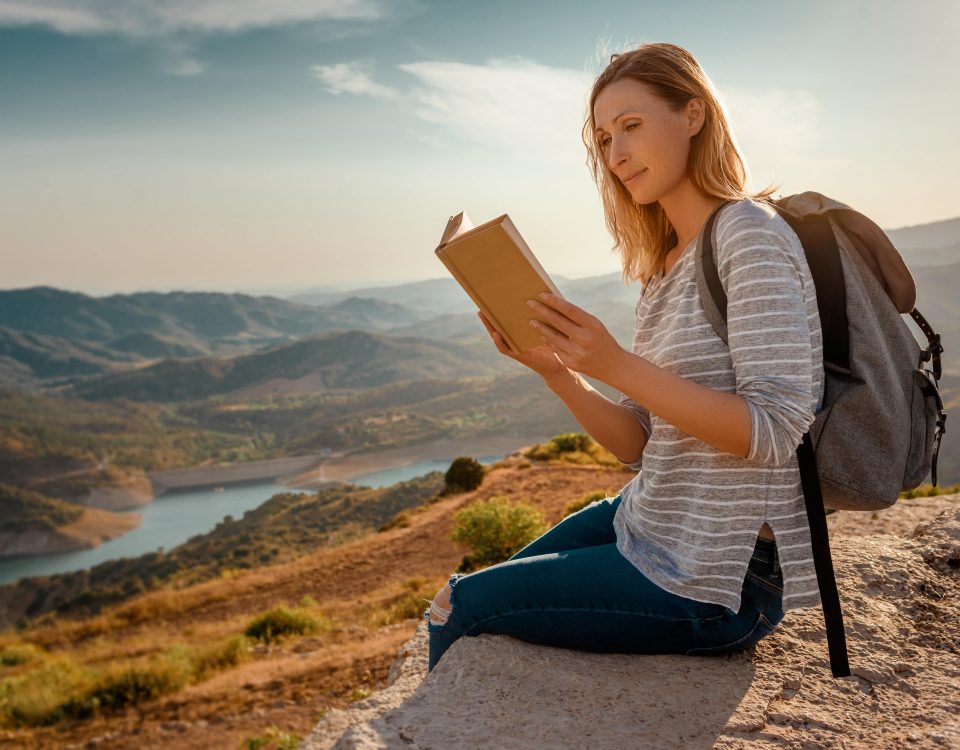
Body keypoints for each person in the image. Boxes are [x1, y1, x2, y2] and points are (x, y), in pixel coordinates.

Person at [424, 42, 824, 673]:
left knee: (459, 604)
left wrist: (613, 363)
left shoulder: (749, 232)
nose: (616, 155)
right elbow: (640, 444)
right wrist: (561, 372)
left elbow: (775, 430)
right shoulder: (662, 269)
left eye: (631, 127)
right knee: (480, 588)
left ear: (693, 115)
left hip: (717, 575)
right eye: (605, 139)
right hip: (650, 522)